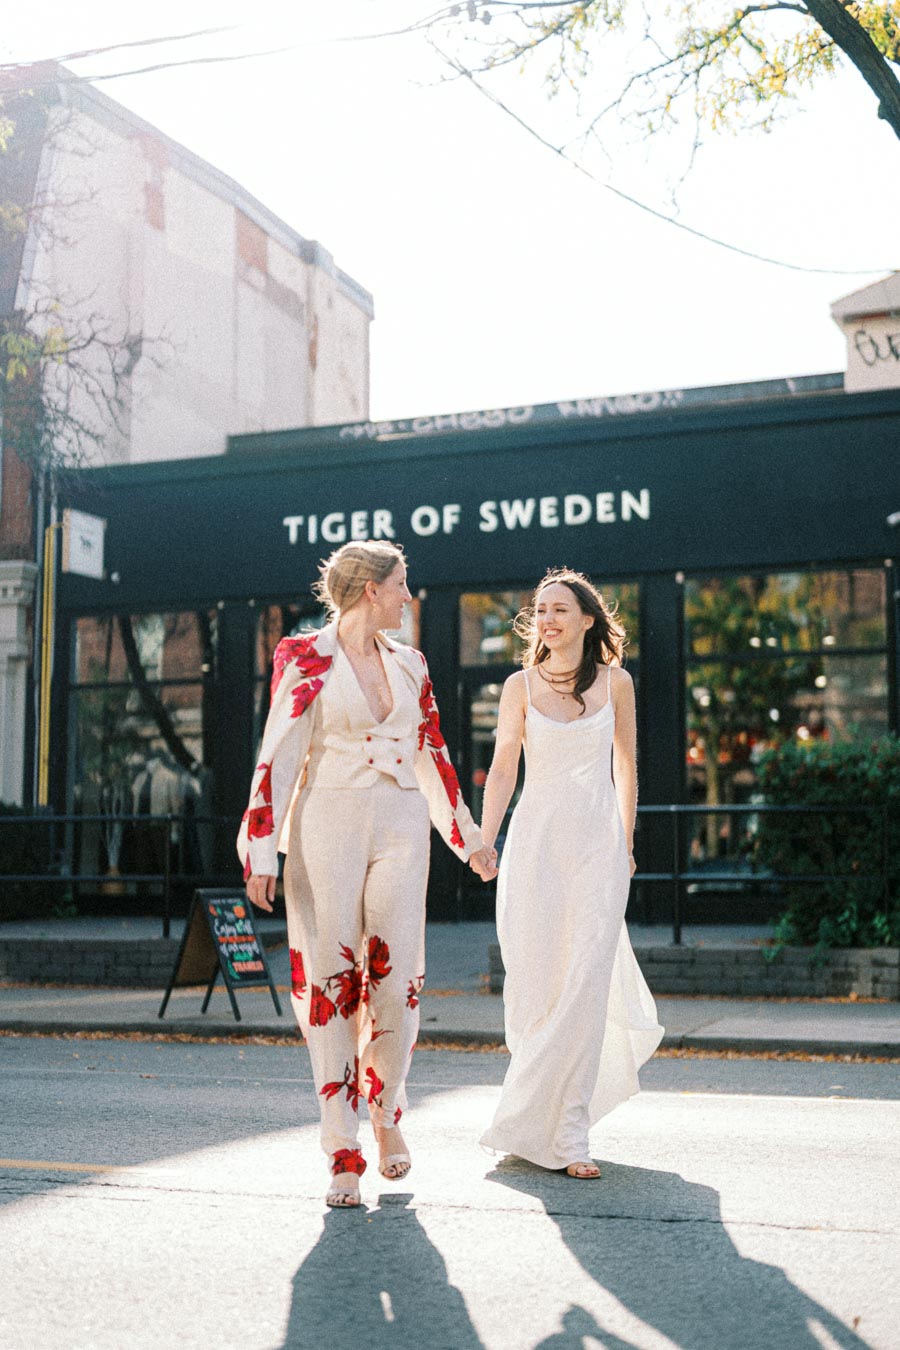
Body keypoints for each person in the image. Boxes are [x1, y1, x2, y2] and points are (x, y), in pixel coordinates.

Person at [238, 541, 497, 1208]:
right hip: (327, 821)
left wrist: (468, 839)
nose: (409, 598)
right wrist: (261, 849)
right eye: (402, 585)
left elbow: (433, 750)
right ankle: (342, 1152)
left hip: (403, 825)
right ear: (370, 592)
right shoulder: (305, 657)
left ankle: (386, 1115)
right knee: (333, 982)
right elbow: (279, 753)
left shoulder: (410, 663)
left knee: (394, 979)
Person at [478, 568, 663, 1177]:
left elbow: (627, 764)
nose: (548, 619)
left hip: (597, 848)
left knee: (586, 983)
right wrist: (484, 837)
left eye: (561, 609)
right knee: (537, 981)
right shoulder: (517, 686)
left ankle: (570, 1131)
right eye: (541, 610)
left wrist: (627, 840)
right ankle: (530, 1114)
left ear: (588, 619)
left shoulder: (619, 684)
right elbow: (504, 768)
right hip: (535, 846)